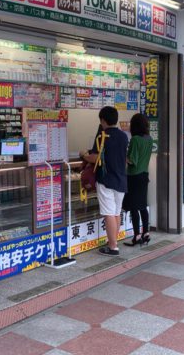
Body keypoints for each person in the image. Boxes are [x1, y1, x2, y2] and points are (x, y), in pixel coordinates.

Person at [79, 106, 128, 256]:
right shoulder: (124, 136)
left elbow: (95, 157)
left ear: (102, 120)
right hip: (121, 180)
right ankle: (113, 241)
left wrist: (84, 155)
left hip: (106, 180)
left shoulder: (102, 136)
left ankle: (113, 247)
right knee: (116, 212)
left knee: (108, 213)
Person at [122, 113, 153, 247]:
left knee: (134, 207)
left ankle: (136, 236)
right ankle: (146, 233)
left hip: (133, 176)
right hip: (144, 175)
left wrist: (122, 155)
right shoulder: (149, 139)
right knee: (142, 205)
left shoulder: (135, 139)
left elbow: (132, 161)